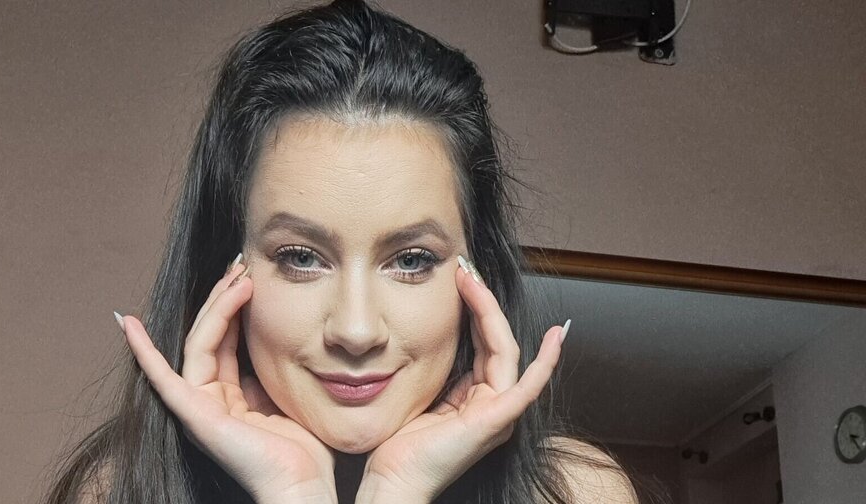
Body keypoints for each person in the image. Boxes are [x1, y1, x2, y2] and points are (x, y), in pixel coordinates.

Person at [44, 1, 638, 503]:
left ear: (476, 273)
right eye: (301, 257)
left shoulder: (575, 493)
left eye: (412, 260)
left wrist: (397, 489)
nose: (356, 331)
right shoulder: (122, 490)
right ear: (225, 269)